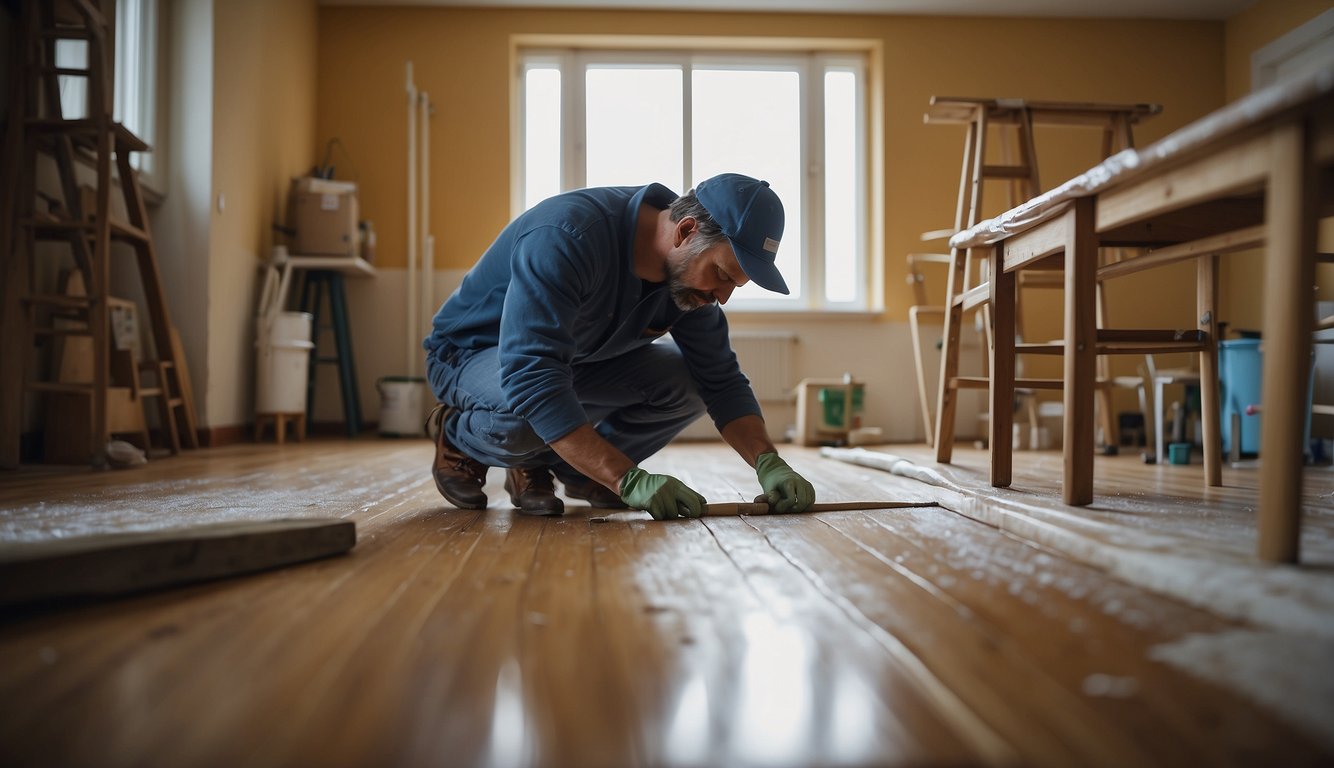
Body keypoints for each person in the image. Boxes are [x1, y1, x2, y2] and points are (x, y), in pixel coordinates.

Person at [422, 172, 815, 519]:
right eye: (722, 275)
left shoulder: (689, 277)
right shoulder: (567, 237)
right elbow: (533, 377)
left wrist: (769, 462)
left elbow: (720, 380)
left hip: (571, 361)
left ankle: (577, 471)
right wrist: (626, 479)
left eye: (735, 284)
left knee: (687, 382)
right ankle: (459, 437)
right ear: (685, 231)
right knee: (526, 414)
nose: (723, 297)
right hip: (470, 354)